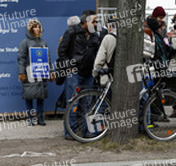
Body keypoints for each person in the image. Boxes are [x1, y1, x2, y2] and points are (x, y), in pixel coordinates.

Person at [59, 10, 101, 139]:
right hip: (75, 73)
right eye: (94, 21)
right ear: (85, 22)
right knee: (73, 103)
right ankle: (69, 132)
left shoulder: (95, 36)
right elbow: (62, 51)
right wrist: (69, 67)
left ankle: (86, 131)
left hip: (88, 74)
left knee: (87, 104)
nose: (96, 24)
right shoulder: (71, 32)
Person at [17, 20, 54, 126]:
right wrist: (21, 73)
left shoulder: (43, 42)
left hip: (41, 74)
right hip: (29, 75)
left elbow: (48, 58)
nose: (37, 29)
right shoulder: (24, 43)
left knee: (41, 97)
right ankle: (30, 118)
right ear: (30, 29)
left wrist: (51, 72)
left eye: (39, 27)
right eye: (35, 27)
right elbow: (21, 59)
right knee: (29, 97)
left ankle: (41, 118)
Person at [93, 16, 117, 86]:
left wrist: (95, 74)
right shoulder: (129, 37)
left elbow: (99, 61)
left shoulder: (108, 38)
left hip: (110, 77)